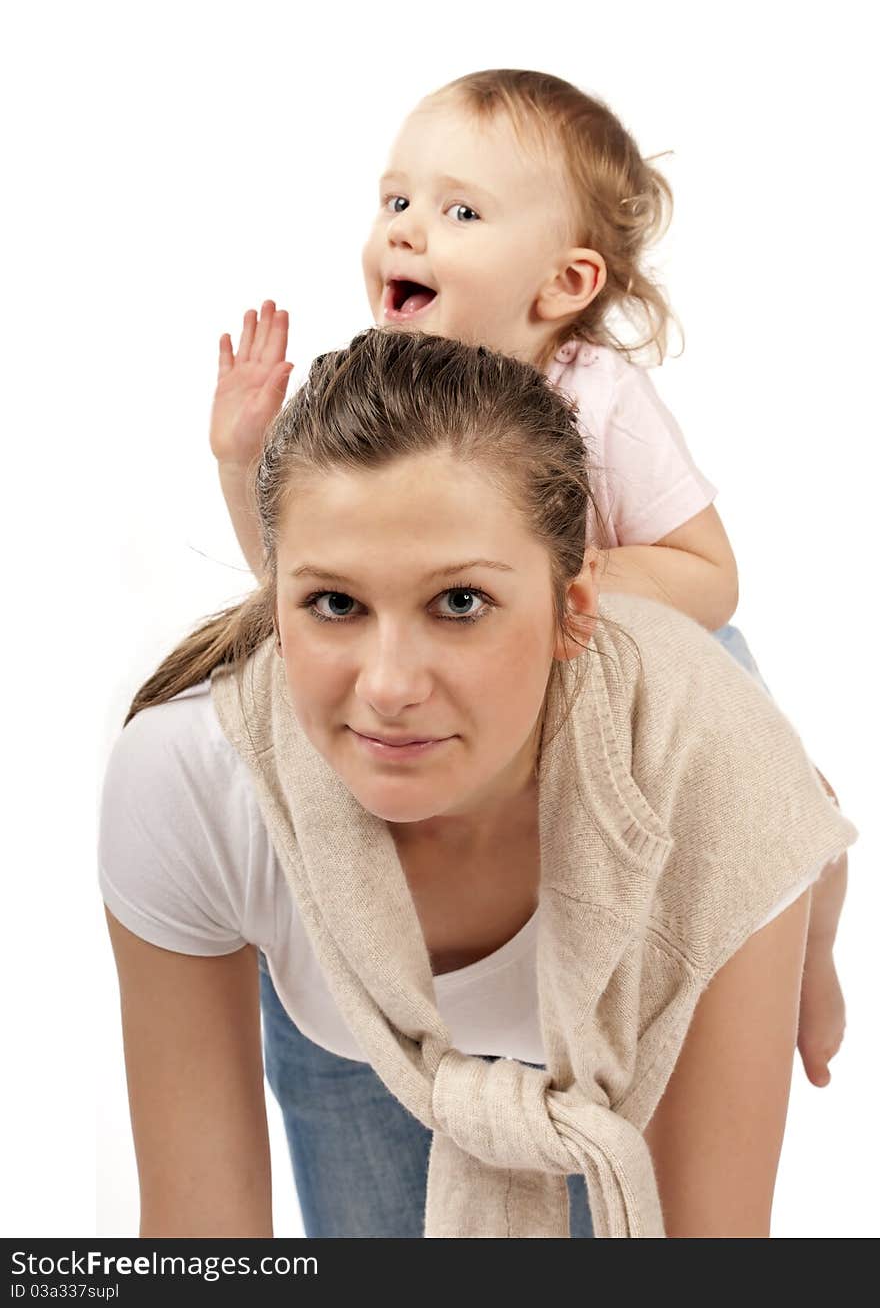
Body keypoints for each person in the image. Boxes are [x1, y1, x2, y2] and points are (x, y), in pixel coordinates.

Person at [101, 328, 856, 1238]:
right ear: (277, 599)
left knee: (790, 839)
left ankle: (820, 907)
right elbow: (199, 1250)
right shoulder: (191, 781)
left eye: (459, 602)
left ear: (571, 612)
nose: (386, 687)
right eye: (334, 602)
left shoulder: (721, 785)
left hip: (666, 904)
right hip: (353, 1023)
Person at [208, 70, 849, 1105]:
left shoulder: (597, 398)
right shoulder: (384, 400)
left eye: (458, 210)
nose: (407, 230)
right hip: (492, 680)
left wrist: (567, 580)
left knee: (782, 814)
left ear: (561, 286)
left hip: (639, 646)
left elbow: (709, 576)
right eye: (395, 200)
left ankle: (800, 961)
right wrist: (241, 461)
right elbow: (293, 586)